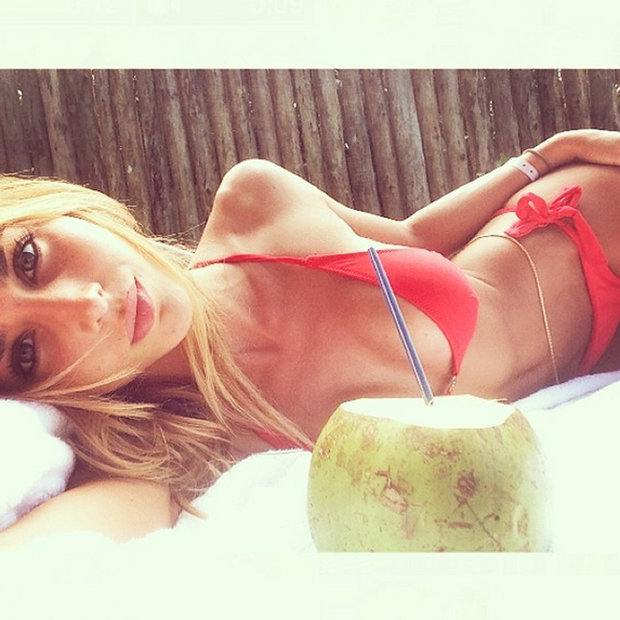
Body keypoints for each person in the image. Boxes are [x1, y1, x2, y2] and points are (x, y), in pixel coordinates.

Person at [2, 128, 620, 546]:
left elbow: (415, 236)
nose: (87, 306)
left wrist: (547, 156)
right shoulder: (181, 448)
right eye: (24, 351)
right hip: (596, 354)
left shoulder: (254, 204)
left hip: (579, 216)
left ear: (56, 209)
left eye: (28, 258)